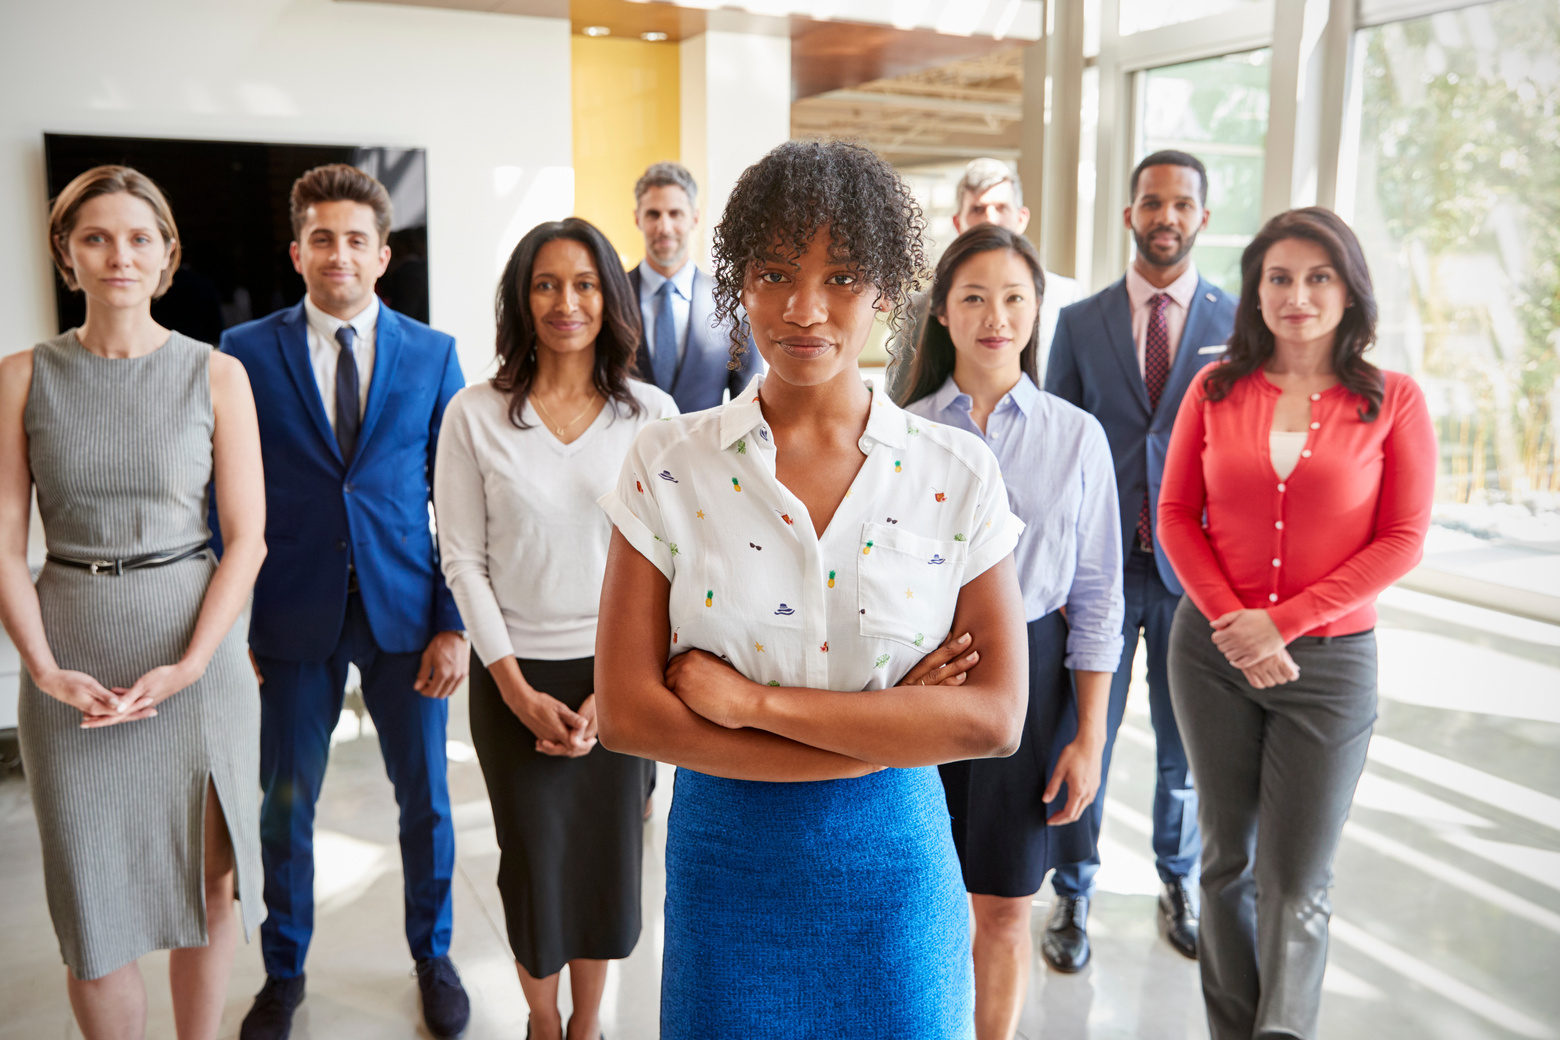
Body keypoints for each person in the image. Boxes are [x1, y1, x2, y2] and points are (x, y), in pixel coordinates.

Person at [594, 139, 1030, 1037]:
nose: (803, 309)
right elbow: (631, 714)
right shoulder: (670, 462)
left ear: (885, 288)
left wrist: (750, 701)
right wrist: (887, 731)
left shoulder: (955, 473)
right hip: (729, 877)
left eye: (840, 278)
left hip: (896, 883)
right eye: (775, 273)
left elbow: (992, 719)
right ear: (738, 282)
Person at [0, 166, 266, 1040]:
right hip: (67, 653)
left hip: (197, 653)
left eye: (139, 238)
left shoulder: (217, 375)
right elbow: (3, 543)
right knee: (90, 905)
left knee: (207, 883)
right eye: (96, 237)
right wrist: (42, 669)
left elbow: (247, 538)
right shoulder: (21, 377)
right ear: (66, 255)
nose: (119, 255)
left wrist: (192, 663)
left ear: (166, 256)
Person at [1159, 207, 1435, 1040]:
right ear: (1255, 291)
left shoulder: (1394, 401)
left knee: (1295, 879)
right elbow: (1175, 515)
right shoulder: (1212, 388)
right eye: (1279, 277)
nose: (1298, 296)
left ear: (1350, 290)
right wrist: (1231, 622)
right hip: (1211, 658)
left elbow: (1404, 539)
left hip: (1331, 666)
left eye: (1319, 277)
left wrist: (1282, 622)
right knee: (1223, 865)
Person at [216, 164, 471, 1040]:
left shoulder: (434, 354)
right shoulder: (244, 353)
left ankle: (432, 957)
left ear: (382, 254)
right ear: (297, 251)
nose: (338, 253)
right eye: (321, 237)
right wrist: (233, 620)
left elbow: (458, 501)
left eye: (355, 239)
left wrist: (454, 622)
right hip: (289, 613)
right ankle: (282, 973)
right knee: (285, 804)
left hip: (406, 613)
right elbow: (225, 498)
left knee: (427, 802)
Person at [434, 217, 676, 1040]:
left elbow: (673, 563)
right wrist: (511, 687)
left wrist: (623, 688)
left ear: (610, 296)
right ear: (520, 298)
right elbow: (463, 560)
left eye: (582, 283)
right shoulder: (476, 415)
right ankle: (542, 1021)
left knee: (608, 864)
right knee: (536, 864)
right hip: (516, 679)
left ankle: (589, 1024)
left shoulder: (653, 416)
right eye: (545, 284)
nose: (565, 301)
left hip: (623, 681)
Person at [899, 224, 1124, 1040]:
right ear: (942, 313)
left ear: (1036, 311)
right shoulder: (903, 431)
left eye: (1015, 297)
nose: (996, 315)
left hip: (1035, 685)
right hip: (922, 680)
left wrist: (1090, 736)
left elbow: (1100, 599)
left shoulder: (1077, 436)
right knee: (921, 896)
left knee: (1003, 907)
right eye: (973, 296)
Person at [1041, 149, 1236, 970]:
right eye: (1152, 202)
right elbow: (1055, 447)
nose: (1166, 216)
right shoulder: (1080, 322)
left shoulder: (1235, 325)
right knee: (1087, 733)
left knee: (1186, 744)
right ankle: (1074, 891)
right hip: (1103, 571)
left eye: (1182, 204)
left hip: (1197, 575)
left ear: (1202, 217)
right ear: (1129, 214)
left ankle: (1178, 879)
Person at [892, 158, 1084, 395]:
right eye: (977, 209)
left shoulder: (1066, 297)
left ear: (1021, 218)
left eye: (1001, 208)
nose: (990, 220)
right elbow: (901, 396)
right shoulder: (922, 305)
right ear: (957, 223)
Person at [627, 161, 762, 412]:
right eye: (653, 214)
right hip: (625, 450)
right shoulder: (611, 296)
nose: (664, 227)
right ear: (637, 219)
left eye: (675, 213)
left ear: (695, 218)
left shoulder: (732, 302)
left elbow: (748, 403)